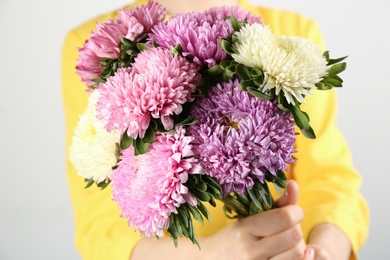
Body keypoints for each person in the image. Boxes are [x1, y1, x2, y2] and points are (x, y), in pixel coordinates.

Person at [61, 0, 369, 259]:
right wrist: (209, 253)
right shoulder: (96, 47)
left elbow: (330, 179)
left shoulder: (294, 33)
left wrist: (321, 251)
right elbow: (99, 224)